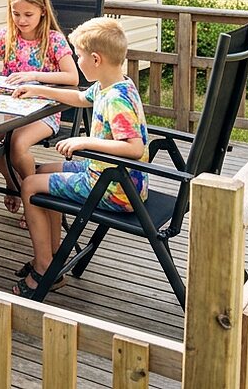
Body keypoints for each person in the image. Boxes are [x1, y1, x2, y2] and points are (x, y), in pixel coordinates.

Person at [10, 17, 149, 297]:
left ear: (96, 59)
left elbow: (134, 148)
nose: (77, 60)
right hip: (111, 176)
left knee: (29, 185)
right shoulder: (114, 84)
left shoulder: (116, 99)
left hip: (115, 189)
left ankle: (44, 268)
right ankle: (52, 256)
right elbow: (80, 98)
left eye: (79, 56)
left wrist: (85, 141)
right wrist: (37, 89)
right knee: (41, 172)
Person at [0, 0, 79, 227]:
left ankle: (34, 202)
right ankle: (15, 183)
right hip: (8, 107)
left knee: (17, 144)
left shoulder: (53, 40)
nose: (21, 20)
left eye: (28, 14)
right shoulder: (6, 36)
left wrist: (33, 75)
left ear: (42, 11)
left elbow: (72, 77)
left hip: (44, 110)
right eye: (16, 13)